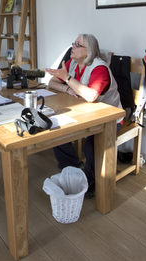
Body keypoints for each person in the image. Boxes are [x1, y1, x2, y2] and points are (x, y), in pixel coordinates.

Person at [46, 34, 123, 198]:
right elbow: (51, 83)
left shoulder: (99, 68)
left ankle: (93, 182)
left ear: (89, 51)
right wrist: (67, 89)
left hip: (109, 119)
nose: (72, 47)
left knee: (92, 146)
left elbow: (91, 96)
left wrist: (66, 78)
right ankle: (75, 168)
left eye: (77, 45)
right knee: (54, 131)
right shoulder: (72, 63)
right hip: (84, 113)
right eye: (73, 43)